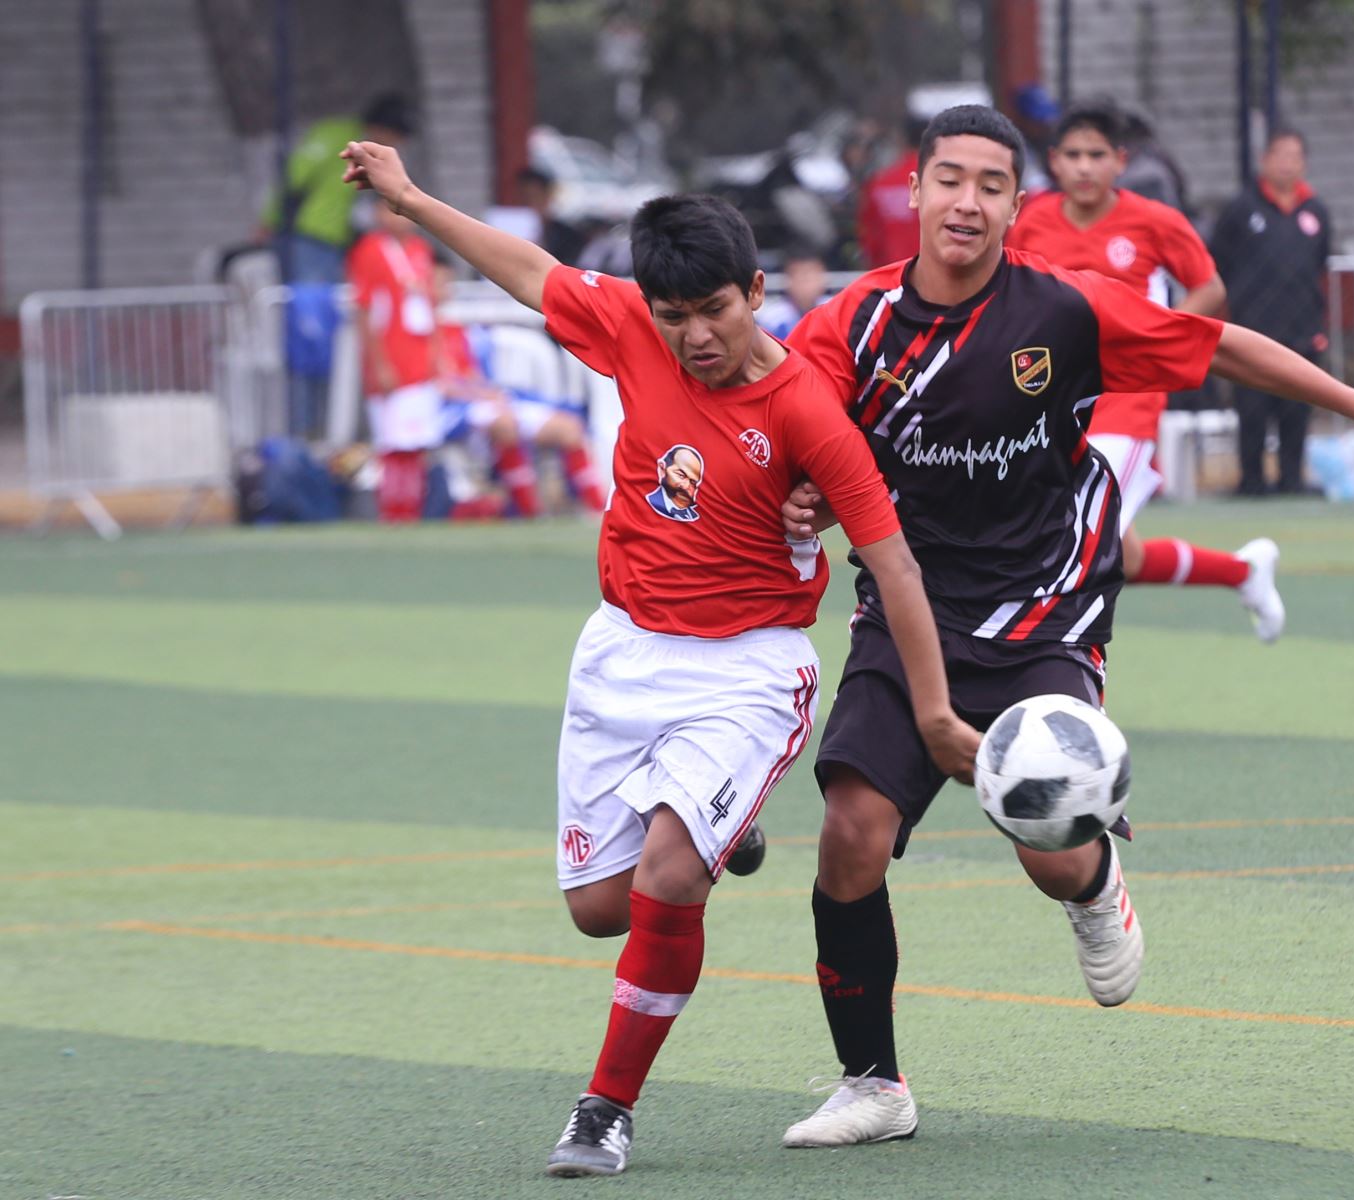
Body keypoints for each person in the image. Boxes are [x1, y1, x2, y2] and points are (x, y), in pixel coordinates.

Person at [773, 104, 1354, 1149]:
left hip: (1050, 592)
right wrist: (804, 496)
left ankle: (1094, 888)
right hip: (908, 600)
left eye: (990, 185)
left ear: (1017, 204)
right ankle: (873, 1084)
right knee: (849, 836)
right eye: (948, 179)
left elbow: (1217, 344)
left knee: (1045, 847)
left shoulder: (1066, 310)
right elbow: (800, 440)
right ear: (912, 193)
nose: (966, 201)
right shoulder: (847, 325)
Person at [340, 140, 981, 1178]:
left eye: (715, 312)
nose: (694, 336)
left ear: (756, 294)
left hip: (749, 670)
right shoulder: (636, 328)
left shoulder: (806, 410)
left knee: (669, 880)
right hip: (624, 654)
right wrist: (410, 199)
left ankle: (605, 1110)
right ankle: (727, 833)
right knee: (601, 910)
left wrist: (938, 712)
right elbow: (529, 270)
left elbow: (894, 565)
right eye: (674, 316)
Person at [1009, 102, 1283, 642]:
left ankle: (1060, 682)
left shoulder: (1154, 220)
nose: (1085, 166)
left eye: (1097, 155)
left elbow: (1209, 289)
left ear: (1120, 161)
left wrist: (1155, 344)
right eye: (1073, 155)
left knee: (1073, 540)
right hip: (1051, 404)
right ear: (1054, 162)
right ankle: (1243, 572)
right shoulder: (1031, 220)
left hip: (1127, 403)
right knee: (1122, 555)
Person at [263, 93, 414, 438]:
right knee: (310, 333)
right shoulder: (336, 137)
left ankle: (326, 425)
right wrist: (271, 222)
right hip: (310, 242)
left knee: (332, 334)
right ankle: (302, 427)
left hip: (339, 248)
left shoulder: (373, 157)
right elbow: (293, 179)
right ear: (379, 128)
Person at [1211, 130, 1334, 496]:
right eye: (1279, 154)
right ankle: (1251, 480)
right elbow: (1218, 262)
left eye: (1294, 156)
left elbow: (1320, 263)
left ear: (1303, 164)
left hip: (1302, 328)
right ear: (1265, 160)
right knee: (1251, 409)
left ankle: (1292, 479)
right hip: (1253, 328)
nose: (1286, 163)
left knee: (1297, 408)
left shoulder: (1315, 211)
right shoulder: (1241, 208)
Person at [432, 261, 608, 518]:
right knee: (505, 424)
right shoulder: (416, 330)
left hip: (485, 402)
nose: (442, 290)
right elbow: (439, 384)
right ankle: (528, 511)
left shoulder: (458, 330)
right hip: (448, 412)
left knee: (569, 428)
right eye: (436, 282)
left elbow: (469, 374)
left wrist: (489, 393)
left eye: (445, 283)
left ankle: (597, 511)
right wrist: (482, 394)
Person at [344, 203, 442, 522]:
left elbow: (429, 307)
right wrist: (379, 365)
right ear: (377, 215)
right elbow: (365, 310)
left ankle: (412, 512)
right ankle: (393, 512)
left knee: (416, 445)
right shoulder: (369, 250)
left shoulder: (420, 249)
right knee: (392, 444)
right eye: (390, 212)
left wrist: (436, 355)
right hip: (391, 359)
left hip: (419, 358)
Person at [856, 120, 925, 268]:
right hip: (933, 275)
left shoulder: (879, 183)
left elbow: (868, 236)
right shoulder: (941, 182)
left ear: (901, 140)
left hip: (889, 274)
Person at [515, 167, 591, 265]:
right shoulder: (507, 232)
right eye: (522, 198)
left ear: (548, 197)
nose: (528, 204)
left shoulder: (569, 237)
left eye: (534, 197)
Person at [757, 250, 831, 339]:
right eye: (802, 277)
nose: (808, 284)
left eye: (813, 276)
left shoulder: (834, 309)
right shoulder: (771, 320)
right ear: (789, 280)